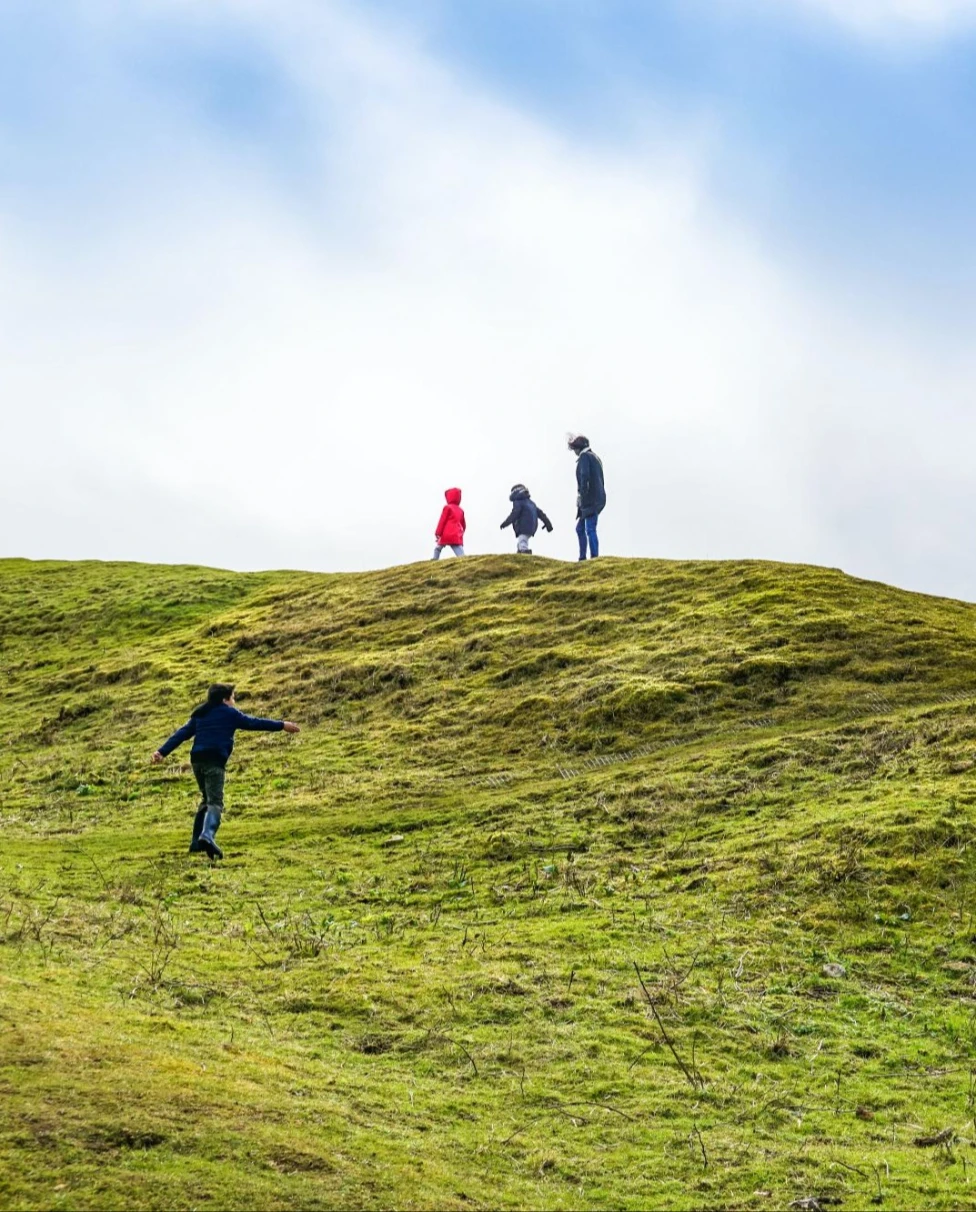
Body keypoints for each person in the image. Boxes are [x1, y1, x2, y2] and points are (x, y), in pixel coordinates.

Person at [151, 684, 300, 860]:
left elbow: (182, 734)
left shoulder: (200, 713)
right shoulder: (229, 713)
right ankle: (207, 835)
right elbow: (254, 723)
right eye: (233, 698)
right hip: (214, 761)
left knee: (206, 799)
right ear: (225, 699)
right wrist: (282, 725)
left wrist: (162, 751)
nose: (234, 701)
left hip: (197, 761)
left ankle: (196, 843)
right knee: (215, 802)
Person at [568, 434, 606, 560]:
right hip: (597, 499)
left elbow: (585, 477)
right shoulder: (595, 457)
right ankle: (584, 556)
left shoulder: (584, 457)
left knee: (589, 528)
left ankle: (592, 556)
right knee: (582, 528)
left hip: (589, 500)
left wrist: (581, 496)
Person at [500, 484, 553, 554]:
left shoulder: (518, 502)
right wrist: (548, 524)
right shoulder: (531, 503)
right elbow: (541, 514)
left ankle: (524, 552)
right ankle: (520, 552)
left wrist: (505, 523)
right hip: (532, 527)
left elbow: (514, 514)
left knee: (522, 540)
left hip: (523, 526)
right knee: (521, 541)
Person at [433, 487, 466, 559]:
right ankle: (464, 559)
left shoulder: (447, 507)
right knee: (458, 548)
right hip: (456, 534)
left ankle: (434, 559)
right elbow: (463, 524)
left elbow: (442, 521)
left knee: (438, 548)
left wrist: (438, 533)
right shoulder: (461, 510)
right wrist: (461, 533)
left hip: (446, 534)